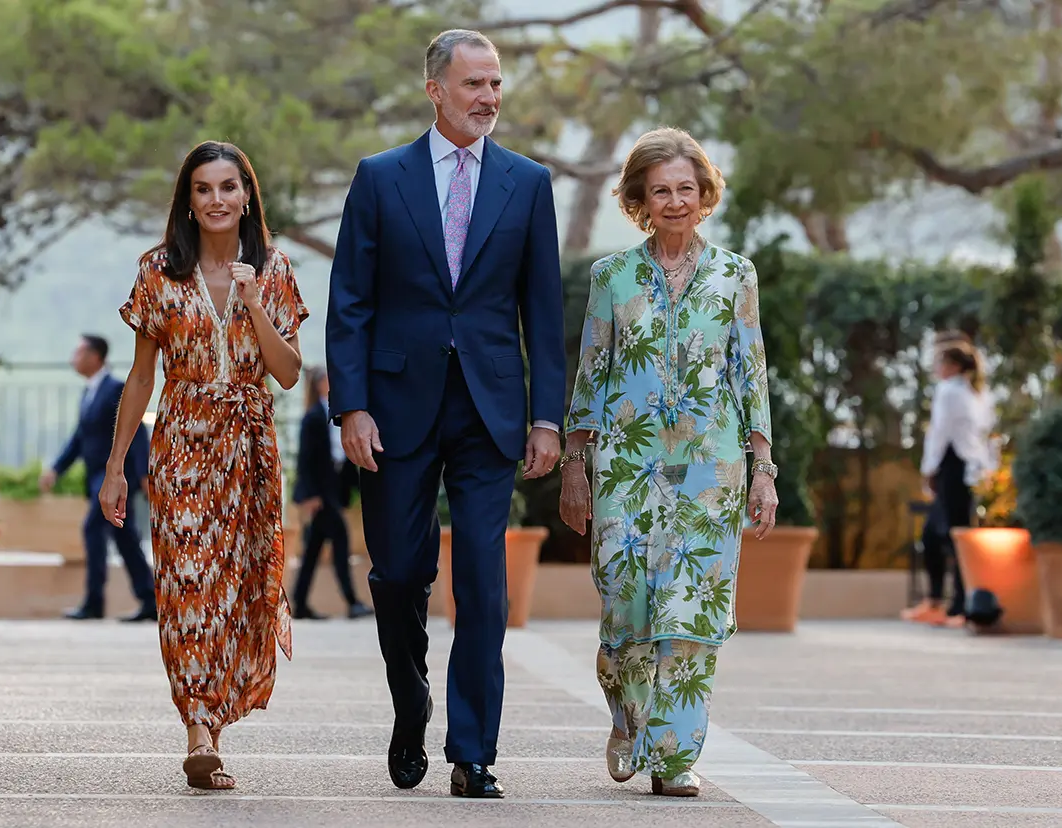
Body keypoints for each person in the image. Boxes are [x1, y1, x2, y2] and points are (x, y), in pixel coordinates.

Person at [325, 28, 565, 799]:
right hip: (394, 408)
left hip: (492, 409)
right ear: (435, 90)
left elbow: (543, 310)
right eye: (474, 85)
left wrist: (547, 418)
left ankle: (473, 752)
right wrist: (352, 405)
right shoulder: (380, 177)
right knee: (396, 573)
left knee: (485, 584)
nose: (489, 98)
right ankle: (411, 701)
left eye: (496, 85)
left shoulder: (528, 183)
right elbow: (350, 302)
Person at [559, 126, 778, 797]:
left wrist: (764, 467)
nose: (676, 201)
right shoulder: (611, 276)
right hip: (626, 471)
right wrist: (575, 464)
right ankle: (629, 717)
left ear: (704, 193)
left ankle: (675, 759)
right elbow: (592, 372)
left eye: (686, 188)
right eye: (662, 191)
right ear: (640, 200)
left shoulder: (735, 274)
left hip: (711, 473)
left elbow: (752, 372)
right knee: (626, 610)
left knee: (691, 621)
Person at [98, 140, 307, 791]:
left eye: (228, 187)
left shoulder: (273, 270)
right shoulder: (158, 270)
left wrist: (251, 304)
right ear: (188, 201)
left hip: (250, 447)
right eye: (203, 189)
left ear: (247, 195)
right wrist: (115, 467)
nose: (217, 200)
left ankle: (216, 715)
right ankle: (199, 730)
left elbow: (289, 373)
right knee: (187, 581)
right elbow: (139, 379)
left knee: (239, 590)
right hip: (183, 441)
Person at [40, 334, 156, 622]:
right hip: (94, 479)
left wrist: (144, 474)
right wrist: (57, 468)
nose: (74, 358)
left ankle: (95, 601)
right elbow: (80, 439)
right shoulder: (89, 393)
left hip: (115, 480)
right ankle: (149, 599)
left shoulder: (115, 389)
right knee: (126, 539)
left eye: (79, 352)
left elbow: (137, 432)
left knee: (94, 530)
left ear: (95, 357)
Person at [902, 336, 995, 628]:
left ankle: (956, 606)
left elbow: (939, 434)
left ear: (952, 365)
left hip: (953, 468)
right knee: (940, 535)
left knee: (950, 538)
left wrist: (929, 469)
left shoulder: (949, 392)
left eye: (939, 362)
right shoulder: (974, 393)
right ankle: (942, 603)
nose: (936, 368)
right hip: (967, 470)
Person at [291, 365, 373, 620]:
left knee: (314, 549)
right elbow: (306, 460)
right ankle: (352, 601)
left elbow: (342, 456)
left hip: (334, 489)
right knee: (340, 542)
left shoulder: (338, 411)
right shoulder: (313, 418)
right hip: (322, 494)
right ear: (318, 384)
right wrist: (310, 495)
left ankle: (300, 602)